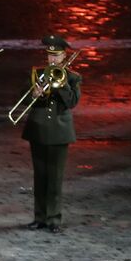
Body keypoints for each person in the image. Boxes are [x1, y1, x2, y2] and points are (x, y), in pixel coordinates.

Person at [22, 34, 82, 233]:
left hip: (59, 133)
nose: (52, 60)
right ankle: (39, 217)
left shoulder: (72, 77)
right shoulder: (37, 73)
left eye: (56, 56)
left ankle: (54, 219)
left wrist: (62, 84)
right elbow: (24, 100)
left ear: (64, 56)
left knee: (55, 178)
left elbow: (72, 102)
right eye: (50, 56)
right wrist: (34, 95)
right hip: (38, 130)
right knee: (40, 177)